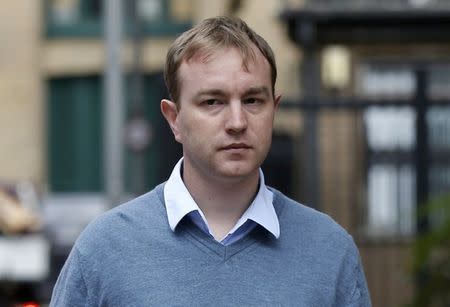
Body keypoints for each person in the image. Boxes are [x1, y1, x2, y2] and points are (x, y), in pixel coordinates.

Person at [50, 16, 371, 306]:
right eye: (213, 101)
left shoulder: (330, 251)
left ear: (274, 109)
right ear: (174, 119)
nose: (237, 121)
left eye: (252, 100)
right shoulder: (105, 249)